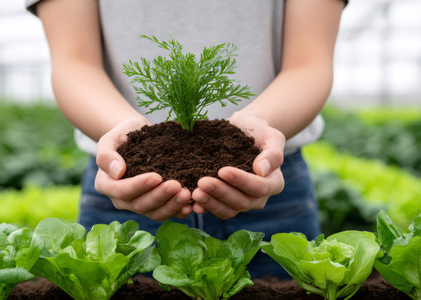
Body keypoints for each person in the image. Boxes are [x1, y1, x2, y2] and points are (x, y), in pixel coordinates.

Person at [27, 0, 347, 278]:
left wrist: (260, 125)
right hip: (124, 181)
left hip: (269, 178)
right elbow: (74, 60)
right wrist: (126, 137)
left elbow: (309, 62)